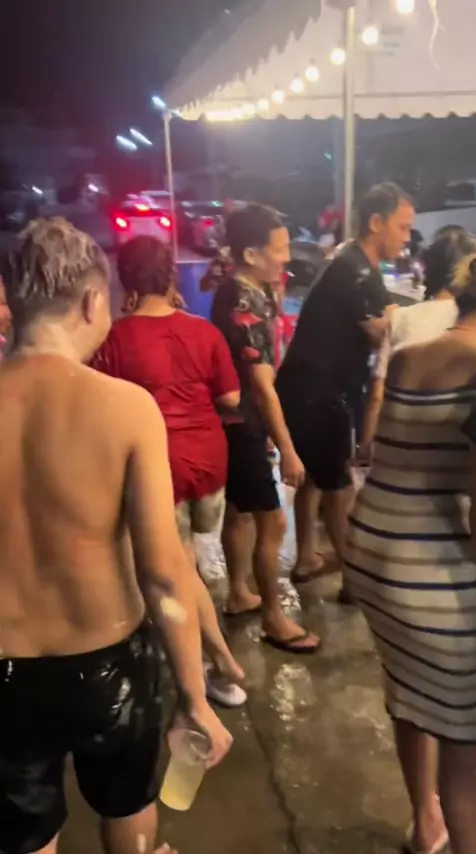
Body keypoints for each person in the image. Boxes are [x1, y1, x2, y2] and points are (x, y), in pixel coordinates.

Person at [0, 219, 232, 854]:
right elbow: (164, 574)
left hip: (6, 672)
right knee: (127, 807)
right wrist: (194, 697)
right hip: (108, 668)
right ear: (91, 301)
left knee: (25, 834)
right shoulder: (126, 408)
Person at [345, 254, 476, 854]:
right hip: (434, 570)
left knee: (409, 690)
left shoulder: (408, 358)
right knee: (466, 757)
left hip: (373, 551)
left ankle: (426, 825)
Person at [92, 235, 246, 708]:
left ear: (124, 280)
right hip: (211, 463)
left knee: (175, 571)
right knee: (188, 559)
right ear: (171, 277)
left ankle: (216, 660)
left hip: (160, 466)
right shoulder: (204, 331)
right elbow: (231, 398)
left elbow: (102, 405)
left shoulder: (114, 338)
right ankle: (204, 654)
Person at [276, 183, 415, 599]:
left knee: (315, 478)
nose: (407, 238)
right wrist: (419, 323)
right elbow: (380, 334)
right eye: (403, 227)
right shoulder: (357, 271)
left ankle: (306, 557)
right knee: (339, 488)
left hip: (302, 386)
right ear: (376, 223)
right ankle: (355, 580)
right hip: (321, 392)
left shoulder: (350, 260)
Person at [212, 203, 320, 654]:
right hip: (245, 424)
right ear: (251, 254)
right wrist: (288, 449)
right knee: (272, 521)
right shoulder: (245, 302)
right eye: (279, 249)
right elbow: (262, 387)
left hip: (233, 422)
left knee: (239, 511)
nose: (287, 257)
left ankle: (239, 592)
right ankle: (275, 619)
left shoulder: (241, 289)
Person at [359, 226, 476, 461]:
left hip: (397, 455)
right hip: (452, 462)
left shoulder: (402, 318)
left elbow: (377, 396)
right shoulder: (470, 326)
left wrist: (366, 446)